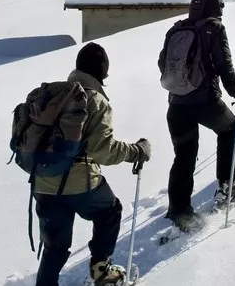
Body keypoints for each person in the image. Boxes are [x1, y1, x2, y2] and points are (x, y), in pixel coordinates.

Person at [31, 43, 152, 286]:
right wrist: (136, 151)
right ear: (101, 71)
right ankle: (101, 270)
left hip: (42, 182)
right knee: (110, 211)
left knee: (55, 245)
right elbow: (103, 151)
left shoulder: (54, 95)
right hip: (79, 183)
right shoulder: (94, 100)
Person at [161, 0, 235, 233]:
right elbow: (224, 64)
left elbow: (162, 63)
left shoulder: (176, 29)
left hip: (177, 105)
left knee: (184, 155)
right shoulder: (214, 29)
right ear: (216, 6)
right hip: (205, 101)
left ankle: (179, 211)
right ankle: (228, 186)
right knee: (230, 128)